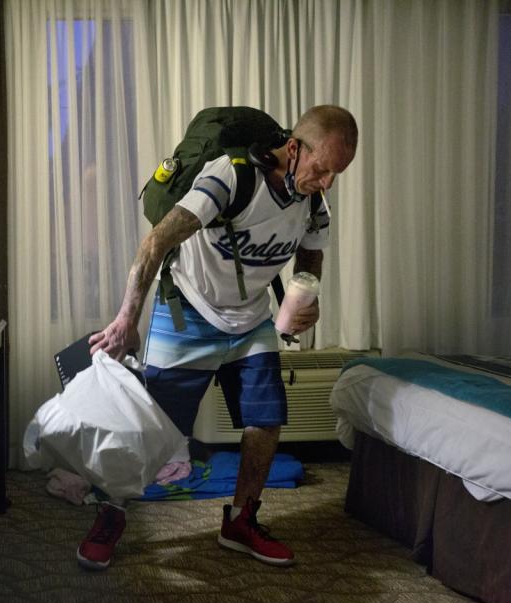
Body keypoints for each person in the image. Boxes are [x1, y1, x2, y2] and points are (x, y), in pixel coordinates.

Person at [80, 105, 358, 570]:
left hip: (250, 322)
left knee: (265, 421)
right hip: (188, 314)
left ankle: (241, 520)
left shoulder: (312, 202)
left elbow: (311, 256)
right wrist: (127, 319)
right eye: (322, 168)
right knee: (155, 432)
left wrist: (306, 294)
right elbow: (156, 242)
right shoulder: (230, 177)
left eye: (336, 174)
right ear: (294, 148)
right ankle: (111, 514)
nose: (327, 183)